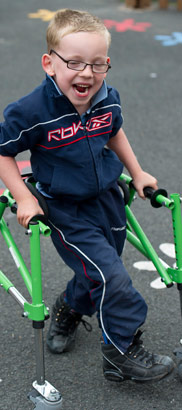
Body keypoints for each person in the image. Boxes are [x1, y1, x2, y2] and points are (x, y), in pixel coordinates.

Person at [0, 9, 174, 383]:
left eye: (98, 64)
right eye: (75, 62)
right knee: (113, 277)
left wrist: (139, 171)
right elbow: (3, 152)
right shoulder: (31, 111)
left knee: (99, 268)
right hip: (65, 209)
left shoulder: (107, 98)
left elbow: (114, 132)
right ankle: (121, 352)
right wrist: (25, 198)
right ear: (49, 63)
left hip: (108, 199)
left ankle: (70, 306)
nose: (87, 73)